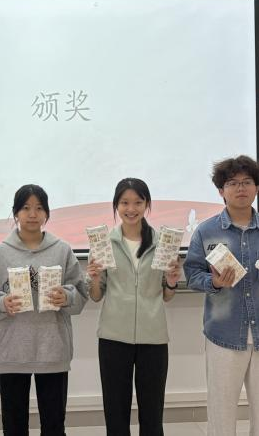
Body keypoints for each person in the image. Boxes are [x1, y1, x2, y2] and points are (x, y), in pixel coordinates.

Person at [0, 184, 87, 436]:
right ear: (15, 213)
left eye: (39, 208)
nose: (32, 214)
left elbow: (81, 295)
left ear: (47, 213)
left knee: (54, 426)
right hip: (11, 353)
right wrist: (2, 303)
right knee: (14, 427)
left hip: (53, 351)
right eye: (25, 208)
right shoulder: (0, 252)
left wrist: (66, 297)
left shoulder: (62, 250)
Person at [86, 178, 180, 436]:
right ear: (116, 205)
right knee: (115, 412)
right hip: (113, 337)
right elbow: (96, 296)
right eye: (124, 203)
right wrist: (94, 278)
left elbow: (167, 296)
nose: (131, 209)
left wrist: (172, 281)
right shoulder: (104, 242)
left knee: (152, 414)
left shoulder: (163, 242)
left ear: (146, 204)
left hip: (154, 337)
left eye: (138, 202)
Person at [184, 155, 259, 436]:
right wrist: (213, 282)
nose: (241, 188)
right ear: (221, 191)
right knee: (221, 413)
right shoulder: (206, 230)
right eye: (233, 183)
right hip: (224, 333)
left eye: (247, 182)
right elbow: (192, 274)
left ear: (256, 188)